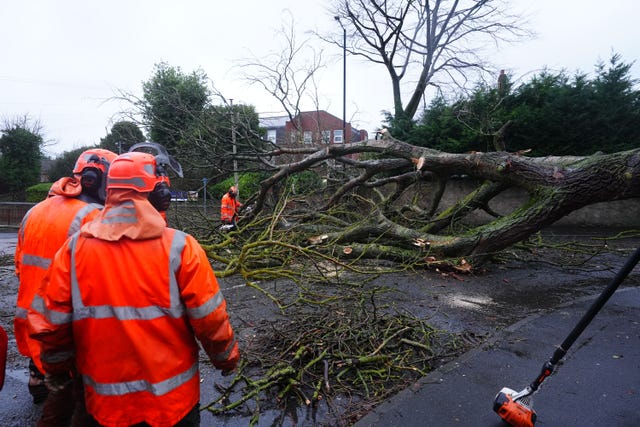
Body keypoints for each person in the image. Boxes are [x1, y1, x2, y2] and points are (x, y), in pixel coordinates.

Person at [28, 151, 240, 427]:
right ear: (154, 193)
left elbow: (52, 323)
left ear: (109, 190)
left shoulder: (74, 249)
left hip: (103, 406)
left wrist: (57, 370)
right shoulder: (181, 248)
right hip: (173, 405)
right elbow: (210, 319)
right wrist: (226, 359)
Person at [14, 148, 117, 425]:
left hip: (31, 319)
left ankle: (37, 380)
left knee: (45, 369)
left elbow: (19, 266)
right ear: (97, 179)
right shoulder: (93, 217)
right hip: (65, 323)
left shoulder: (35, 211)